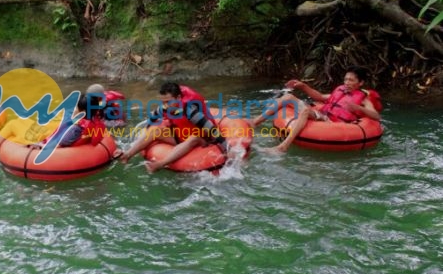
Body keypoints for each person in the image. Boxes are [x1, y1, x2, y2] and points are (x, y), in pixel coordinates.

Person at [250, 66, 382, 153]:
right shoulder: (340, 91)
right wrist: (303, 86)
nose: (347, 82)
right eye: (346, 79)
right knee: (288, 97)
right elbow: (319, 97)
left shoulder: (364, 99)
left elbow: (376, 116)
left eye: (351, 80)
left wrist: (358, 108)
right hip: (322, 114)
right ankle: (254, 123)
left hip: (332, 123)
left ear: (361, 83)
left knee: (306, 111)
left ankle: (283, 147)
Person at [119, 82, 230, 173]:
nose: (166, 105)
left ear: (178, 98)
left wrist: (227, 150)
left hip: (201, 140)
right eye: (163, 102)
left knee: (193, 138)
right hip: (180, 136)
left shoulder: (190, 111)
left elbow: (212, 129)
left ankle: (159, 165)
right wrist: (147, 132)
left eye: (168, 101)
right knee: (155, 130)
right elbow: (151, 121)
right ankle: (127, 155)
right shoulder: (163, 108)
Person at [0, 93, 107, 159]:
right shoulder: (95, 121)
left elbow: (59, 142)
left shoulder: (79, 127)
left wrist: (39, 146)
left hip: (42, 135)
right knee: (20, 120)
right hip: (48, 128)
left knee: (12, 124)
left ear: (82, 109)